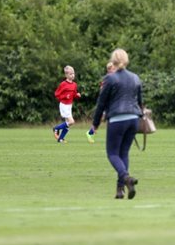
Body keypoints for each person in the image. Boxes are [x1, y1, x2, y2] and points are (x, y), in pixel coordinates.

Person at [90, 49, 142, 200]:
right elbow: (139, 102)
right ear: (126, 60)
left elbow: (101, 103)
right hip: (133, 119)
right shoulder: (135, 78)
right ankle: (120, 190)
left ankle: (126, 179)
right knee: (123, 153)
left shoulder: (110, 79)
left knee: (112, 154)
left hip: (117, 118)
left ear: (113, 60)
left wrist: (95, 123)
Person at [87, 62, 117, 144]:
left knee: (110, 120)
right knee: (107, 119)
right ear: (109, 70)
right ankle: (90, 132)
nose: (115, 70)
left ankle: (92, 132)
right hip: (106, 104)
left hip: (111, 104)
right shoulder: (107, 79)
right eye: (113, 69)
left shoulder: (114, 79)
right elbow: (103, 91)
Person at [53, 65, 81, 143]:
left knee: (68, 123)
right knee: (71, 122)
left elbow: (74, 94)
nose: (72, 75)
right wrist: (65, 96)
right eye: (70, 74)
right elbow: (56, 94)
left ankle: (61, 138)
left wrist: (77, 95)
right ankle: (56, 128)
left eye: (73, 73)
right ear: (66, 75)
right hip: (64, 105)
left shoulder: (74, 85)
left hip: (69, 105)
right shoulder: (63, 84)